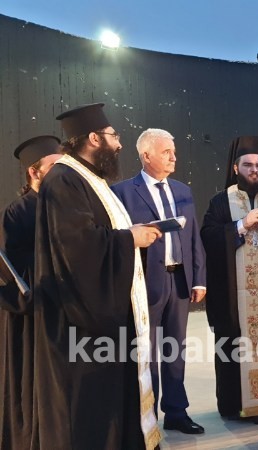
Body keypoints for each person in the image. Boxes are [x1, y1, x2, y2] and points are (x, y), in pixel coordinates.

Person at [33, 103, 162, 449]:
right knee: (92, 415)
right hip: (82, 325)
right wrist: (129, 239)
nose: (119, 144)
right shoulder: (64, 180)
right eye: (113, 136)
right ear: (94, 138)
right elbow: (78, 248)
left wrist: (130, 236)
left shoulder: (90, 179)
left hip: (104, 320)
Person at [110, 128, 207, 435]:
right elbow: (118, 239)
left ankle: (176, 412)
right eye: (166, 152)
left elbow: (193, 237)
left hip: (179, 280)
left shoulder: (182, 190)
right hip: (144, 283)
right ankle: (147, 417)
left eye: (173, 152)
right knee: (147, 353)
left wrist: (199, 279)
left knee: (175, 350)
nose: (173, 157)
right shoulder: (123, 192)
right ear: (146, 155)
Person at [200, 135, 258, 423]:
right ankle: (236, 404)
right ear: (236, 168)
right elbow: (208, 238)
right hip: (234, 299)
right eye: (248, 165)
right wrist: (241, 225)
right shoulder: (220, 202)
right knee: (234, 347)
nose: (254, 170)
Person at [0, 135, 61, 450]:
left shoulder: (66, 207)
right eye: (53, 166)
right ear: (33, 172)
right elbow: (11, 267)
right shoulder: (18, 211)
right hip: (32, 310)